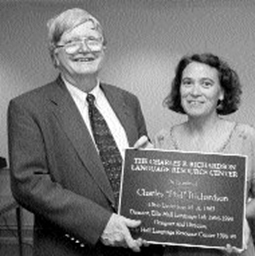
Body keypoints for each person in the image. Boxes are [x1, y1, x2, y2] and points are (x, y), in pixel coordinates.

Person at [8, 8, 162, 256]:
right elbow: (29, 184)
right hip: (73, 247)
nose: (84, 48)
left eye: (92, 40)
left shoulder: (128, 102)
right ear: (54, 56)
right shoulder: (28, 108)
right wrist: (100, 223)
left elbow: (141, 171)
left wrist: (152, 165)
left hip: (137, 244)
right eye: (71, 42)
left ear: (104, 49)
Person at [154, 53, 255, 256]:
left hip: (234, 251)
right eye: (187, 83)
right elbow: (154, 202)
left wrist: (229, 221)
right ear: (179, 89)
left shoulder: (245, 137)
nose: (194, 92)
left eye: (206, 84)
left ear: (221, 93)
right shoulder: (163, 139)